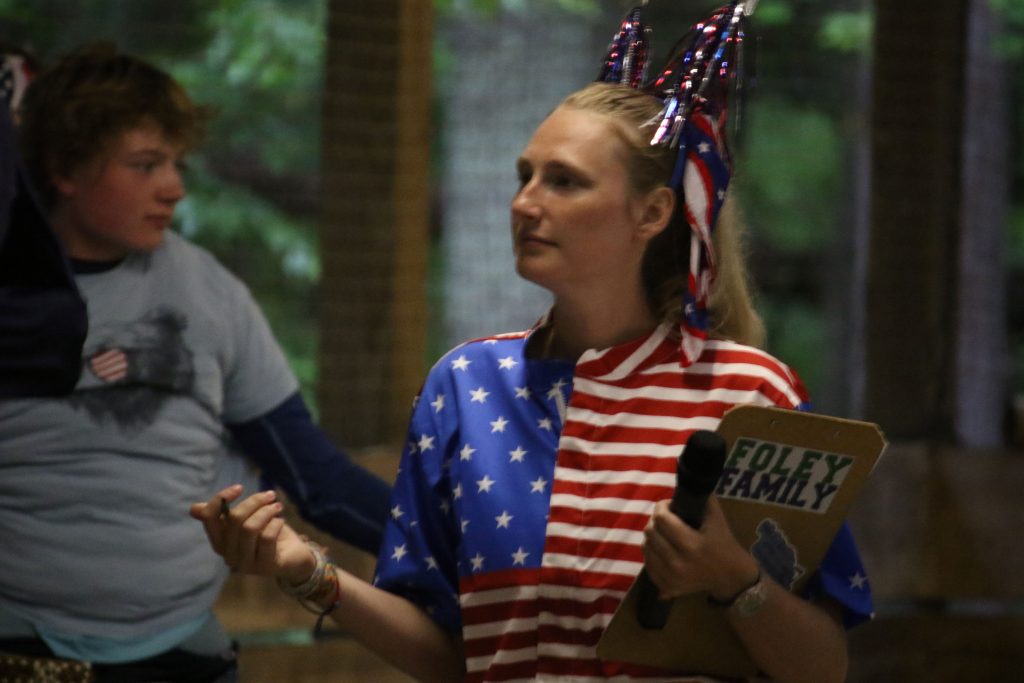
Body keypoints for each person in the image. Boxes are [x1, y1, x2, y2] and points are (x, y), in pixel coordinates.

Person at [193, 8, 872, 682]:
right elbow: (455, 655)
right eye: (525, 175)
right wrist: (303, 569)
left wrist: (733, 577)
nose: (525, 202)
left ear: (652, 212)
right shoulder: (463, 385)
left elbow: (824, 665)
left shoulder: (750, 392)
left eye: (565, 180)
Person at [0, 43, 391, 682]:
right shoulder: (13, 291)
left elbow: (315, 478)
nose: (175, 188)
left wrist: (468, 553)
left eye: (176, 163)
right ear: (66, 168)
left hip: (181, 650)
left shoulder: (210, 293)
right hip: (19, 647)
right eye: (146, 164)